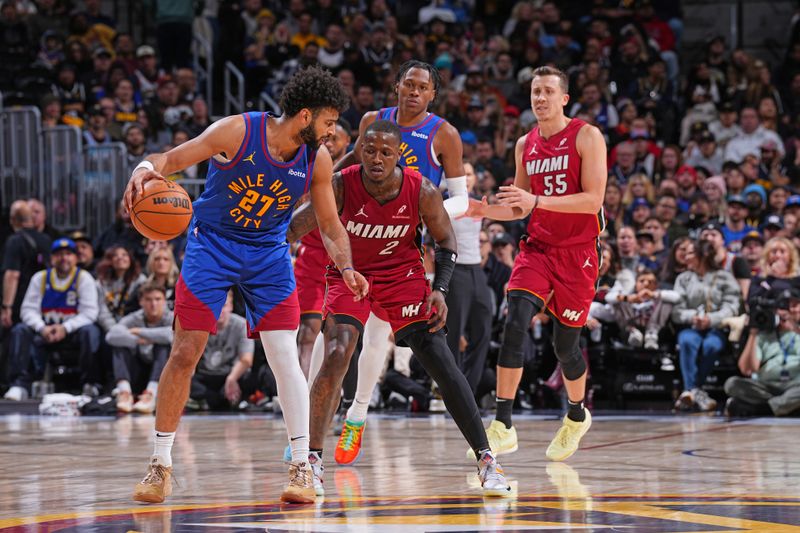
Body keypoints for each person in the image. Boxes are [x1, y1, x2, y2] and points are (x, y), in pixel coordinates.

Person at [122, 66, 368, 505]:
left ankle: (300, 466)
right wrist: (143, 168)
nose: (332, 134)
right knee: (185, 351)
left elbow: (330, 226)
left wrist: (346, 265)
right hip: (211, 246)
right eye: (329, 123)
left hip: (268, 254)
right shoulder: (236, 131)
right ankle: (160, 464)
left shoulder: (318, 159)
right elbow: (171, 160)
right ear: (306, 116)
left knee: (284, 356)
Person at [286, 119, 510, 498]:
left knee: (439, 358)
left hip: (401, 276)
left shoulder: (420, 190)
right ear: (359, 150)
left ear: (399, 155)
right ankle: (311, 459)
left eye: (385, 152)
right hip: (349, 273)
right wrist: (268, 238)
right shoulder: (342, 183)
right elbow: (299, 224)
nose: (376, 158)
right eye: (369, 150)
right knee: (338, 352)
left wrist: (439, 289)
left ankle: (487, 458)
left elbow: (446, 240)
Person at [323, 60, 473, 462]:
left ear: (432, 95)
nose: (414, 91)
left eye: (422, 87)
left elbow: (460, 195)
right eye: (408, 84)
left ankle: (356, 413)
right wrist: (320, 190)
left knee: (377, 335)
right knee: (345, 339)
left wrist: (433, 210)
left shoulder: (444, 134)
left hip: (406, 234)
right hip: (362, 229)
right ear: (397, 87)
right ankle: (327, 426)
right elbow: (349, 168)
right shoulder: (373, 120)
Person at [466, 66, 607, 461]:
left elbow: (594, 199)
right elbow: (519, 205)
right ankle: (503, 425)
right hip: (538, 248)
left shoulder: (586, 136)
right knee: (514, 323)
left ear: (564, 98)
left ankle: (577, 415)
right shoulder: (525, 143)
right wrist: (484, 209)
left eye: (547, 91)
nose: (540, 98)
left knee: (567, 348)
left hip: (579, 253)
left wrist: (536, 203)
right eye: (534, 92)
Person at [4, 239, 102, 401]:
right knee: (20, 330)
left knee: (91, 331)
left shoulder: (83, 278)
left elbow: (90, 312)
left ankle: (90, 383)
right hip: (45, 332)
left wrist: (65, 328)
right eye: (59, 254)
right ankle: (19, 385)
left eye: (68, 254)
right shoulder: (40, 278)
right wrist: (42, 328)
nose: (64, 258)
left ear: (75, 258)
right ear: (51, 259)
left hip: (72, 333)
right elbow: (27, 310)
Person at [671, 240, 741, 412]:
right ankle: (696, 391)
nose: (685, 257)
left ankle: (691, 391)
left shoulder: (724, 277)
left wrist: (711, 319)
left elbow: (732, 306)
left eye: (689, 253)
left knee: (712, 346)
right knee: (687, 342)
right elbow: (676, 310)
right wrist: (693, 317)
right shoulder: (683, 279)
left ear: (702, 255)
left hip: (717, 327)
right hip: (691, 326)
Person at [106, 284, 173, 414]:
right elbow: (111, 335)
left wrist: (139, 331)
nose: (153, 304)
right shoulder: (135, 317)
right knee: (119, 346)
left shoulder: (171, 317)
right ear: (141, 302)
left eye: (158, 299)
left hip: (162, 377)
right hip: (137, 371)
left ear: (165, 301)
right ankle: (125, 392)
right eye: (148, 300)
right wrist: (137, 340)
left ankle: (151, 395)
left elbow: (173, 334)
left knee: (163, 345)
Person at [189, 291, 258, 410]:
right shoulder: (199, 324)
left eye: (224, 305)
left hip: (230, 374)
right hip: (206, 376)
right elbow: (190, 358)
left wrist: (231, 378)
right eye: (215, 305)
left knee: (249, 378)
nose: (219, 310)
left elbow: (246, 360)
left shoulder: (241, 324)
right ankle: (213, 401)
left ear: (231, 306)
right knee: (186, 379)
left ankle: (208, 402)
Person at [1, 201, 51, 330]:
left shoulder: (15, 240)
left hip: (20, 300)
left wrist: (7, 307)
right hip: (42, 299)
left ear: (12, 220)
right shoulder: (46, 239)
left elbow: (12, 275)